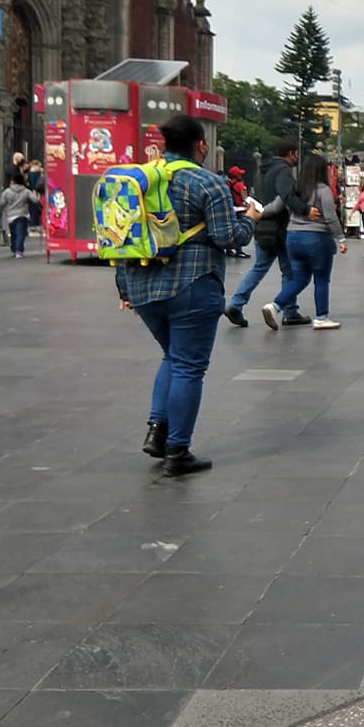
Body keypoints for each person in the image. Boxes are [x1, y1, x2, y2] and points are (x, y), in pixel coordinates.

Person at [118, 115, 261, 476]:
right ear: (200, 145)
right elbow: (229, 236)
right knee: (188, 365)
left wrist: (124, 289)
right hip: (191, 284)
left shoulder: (138, 179)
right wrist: (251, 220)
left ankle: (158, 430)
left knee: (173, 357)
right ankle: (177, 451)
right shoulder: (208, 183)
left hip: (141, 285)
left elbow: (121, 234)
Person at [225, 139, 312, 328]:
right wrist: (305, 210)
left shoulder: (261, 170)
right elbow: (286, 196)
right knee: (289, 270)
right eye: (296, 153)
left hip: (262, 224)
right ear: (291, 153)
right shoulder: (283, 171)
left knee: (259, 267)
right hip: (280, 227)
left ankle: (235, 303)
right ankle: (289, 311)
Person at [261, 153, 346, 329]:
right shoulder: (323, 190)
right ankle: (322, 317)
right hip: (317, 238)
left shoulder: (294, 188)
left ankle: (275, 306)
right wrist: (341, 238)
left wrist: (256, 213)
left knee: (299, 278)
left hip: (292, 238)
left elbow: (276, 206)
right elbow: (330, 217)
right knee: (321, 278)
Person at [0, 172, 40, 258]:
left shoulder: (7, 191)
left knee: (13, 234)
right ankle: (19, 250)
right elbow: (35, 200)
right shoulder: (26, 191)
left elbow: (2, 203)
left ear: (13, 181)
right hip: (22, 215)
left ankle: (14, 249)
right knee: (21, 233)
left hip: (10, 216)